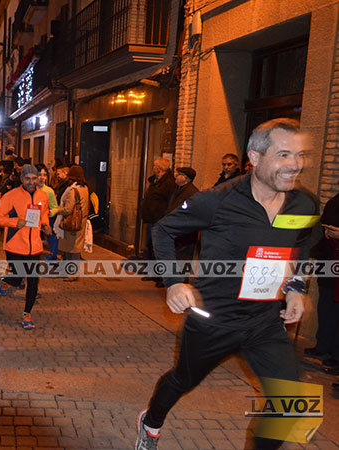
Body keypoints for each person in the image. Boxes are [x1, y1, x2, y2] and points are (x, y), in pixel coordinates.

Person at [135, 118, 319, 450]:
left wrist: (296, 286)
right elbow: (163, 230)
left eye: (299, 154)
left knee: (290, 405)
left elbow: (302, 243)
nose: (295, 164)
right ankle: (151, 422)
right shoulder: (218, 200)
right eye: (283, 154)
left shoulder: (304, 203)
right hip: (212, 319)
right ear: (255, 157)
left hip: (265, 321)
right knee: (183, 379)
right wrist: (174, 282)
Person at [0, 165, 51, 329]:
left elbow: (44, 214)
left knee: (33, 281)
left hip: (35, 247)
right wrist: (14, 222)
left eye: (34, 178)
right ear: (21, 179)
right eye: (27, 179)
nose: (31, 182)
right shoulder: (11, 196)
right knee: (18, 279)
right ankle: (5, 280)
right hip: (14, 245)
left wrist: (46, 225)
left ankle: (27, 315)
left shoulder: (43, 196)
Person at [305, 186, 339, 374]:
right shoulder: (335, 200)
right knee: (326, 307)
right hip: (328, 262)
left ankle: (335, 355)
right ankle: (324, 346)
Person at [141, 158, 176, 286]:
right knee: (150, 246)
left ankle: (159, 275)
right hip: (151, 219)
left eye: (155, 166)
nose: (153, 168)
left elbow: (169, 202)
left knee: (158, 248)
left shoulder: (168, 183)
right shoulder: (156, 181)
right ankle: (151, 272)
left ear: (159, 168)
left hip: (159, 220)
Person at [55, 165, 90, 281]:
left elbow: (67, 210)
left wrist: (56, 209)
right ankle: (71, 272)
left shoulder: (73, 191)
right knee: (75, 249)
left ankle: (72, 273)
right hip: (80, 222)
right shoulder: (85, 188)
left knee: (71, 249)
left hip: (72, 223)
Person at [165, 167, 200, 262]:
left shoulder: (191, 193)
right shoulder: (178, 189)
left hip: (184, 235)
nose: (176, 176)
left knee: (182, 259)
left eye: (179, 174)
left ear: (186, 178)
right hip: (175, 232)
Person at [36, 164, 59, 260]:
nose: (42, 178)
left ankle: (53, 256)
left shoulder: (49, 191)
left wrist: (49, 213)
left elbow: (55, 207)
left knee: (51, 238)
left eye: (44, 175)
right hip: (33, 220)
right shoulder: (30, 189)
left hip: (46, 220)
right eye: (39, 175)